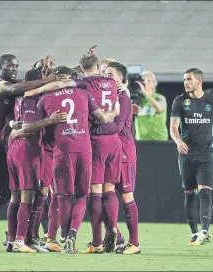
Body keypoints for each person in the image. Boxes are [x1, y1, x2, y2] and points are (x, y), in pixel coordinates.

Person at [12, 65, 118, 254]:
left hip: (60, 151)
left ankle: (56, 235)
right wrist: (115, 112)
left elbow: (30, 127)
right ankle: (72, 233)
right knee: (81, 195)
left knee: (61, 196)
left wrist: (16, 126)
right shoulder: (84, 94)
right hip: (84, 149)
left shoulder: (45, 99)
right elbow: (101, 118)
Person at [0, 54, 61, 251]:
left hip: (1, 145)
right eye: (10, 65)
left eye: (16, 66)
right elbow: (16, 88)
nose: (14, 68)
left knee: (9, 192)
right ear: (0, 67)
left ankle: (10, 237)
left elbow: (26, 87)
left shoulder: (21, 90)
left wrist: (42, 68)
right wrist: (48, 80)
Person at [5, 69, 68, 253]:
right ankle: (19, 241)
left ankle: (14, 240)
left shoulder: (20, 96)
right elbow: (27, 127)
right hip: (26, 149)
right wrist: (50, 120)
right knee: (27, 196)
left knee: (16, 197)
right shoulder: (32, 99)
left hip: (15, 148)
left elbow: (12, 119)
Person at [170, 68, 213, 246]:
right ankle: (194, 233)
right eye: (184, 79)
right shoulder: (180, 101)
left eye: (189, 79)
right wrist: (178, 141)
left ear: (199, 81)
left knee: (205, 192)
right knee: (189, 195)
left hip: (206, 154)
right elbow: (173, 127)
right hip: (187, 155)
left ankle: (204, 231)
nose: (185, 82)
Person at [91, 61, 141, 254]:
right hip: (108, 150)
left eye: (110, 73)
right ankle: (115, 236)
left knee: (126, 195)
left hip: (124, 150)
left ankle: (134, 243)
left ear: (121, 80)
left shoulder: (122, 98)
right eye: (103, 72)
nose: (105, 76)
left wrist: (94, 124)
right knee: (104, 193)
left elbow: (118, 126)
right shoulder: (103, 97)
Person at [79, 52, 122, 253]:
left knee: (94, 193)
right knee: (110, 189)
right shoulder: (112, 84)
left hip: (95, 139)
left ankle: (96, 243)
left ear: (81, 68)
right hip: (114, 140)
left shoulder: (81, 85)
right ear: (98, 65)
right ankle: (112, 227)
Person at [134, 70, 168, 141]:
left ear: (153, 83)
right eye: (143, 81)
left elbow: (160, 109)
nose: (144, 83)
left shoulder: (159, 98)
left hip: (159, 139)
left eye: (148, 81)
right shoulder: (137, 100)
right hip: (141, 140)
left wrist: (146, 94)